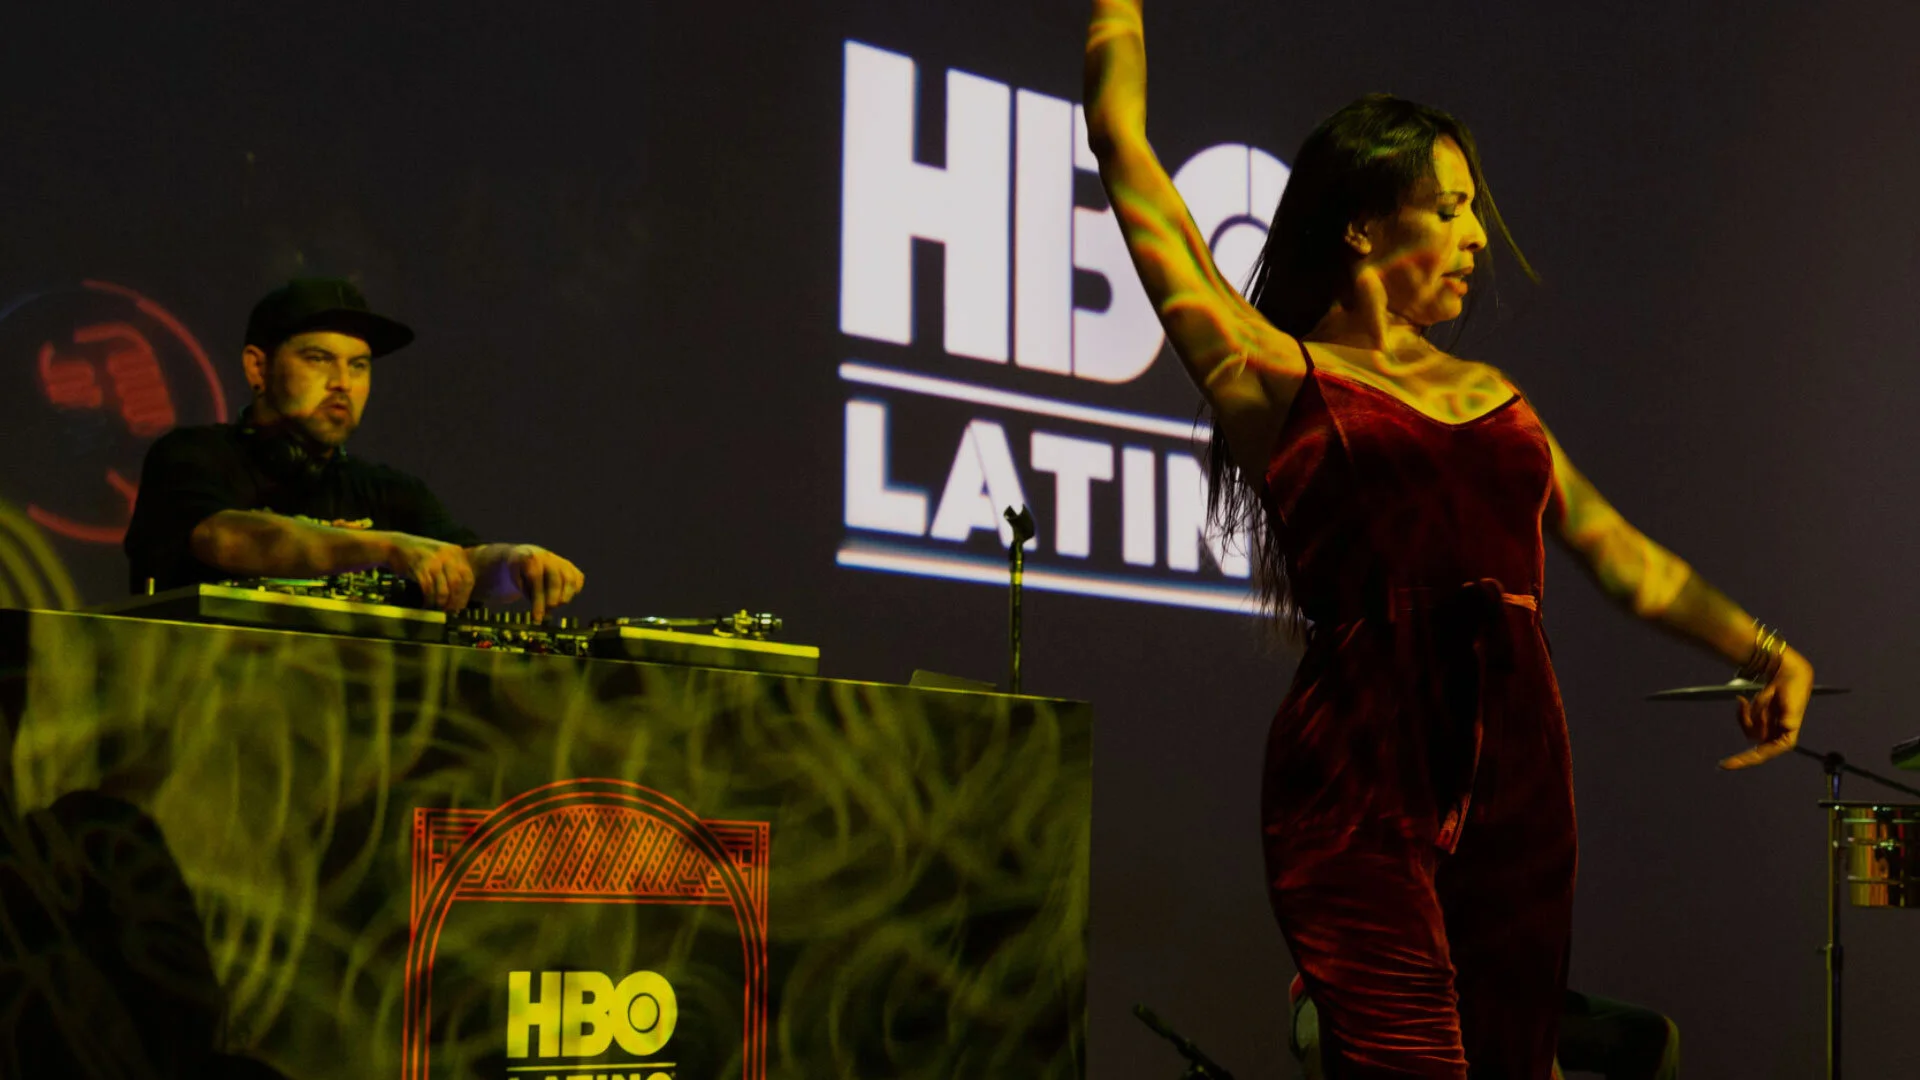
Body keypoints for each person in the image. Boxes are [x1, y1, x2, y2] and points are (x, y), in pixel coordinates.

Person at [1082, 2, 1814, 1075]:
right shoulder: (1269, 371)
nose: (1477, 237)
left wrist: (1766, 650)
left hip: (1524, 782)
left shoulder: (1491, 396)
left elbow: (1622, 555)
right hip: (1359, 786)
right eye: (1450, 208)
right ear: (1363, 227)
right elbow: (1121, 144)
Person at [124, 279, 584, 619]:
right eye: (318, 359)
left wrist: (518, 562)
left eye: (359, 366)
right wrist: (384, 547)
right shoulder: (191, 456)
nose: (343, 382)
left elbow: (463, 560)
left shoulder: (388, 491)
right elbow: (223, 538)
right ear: (257, 368)